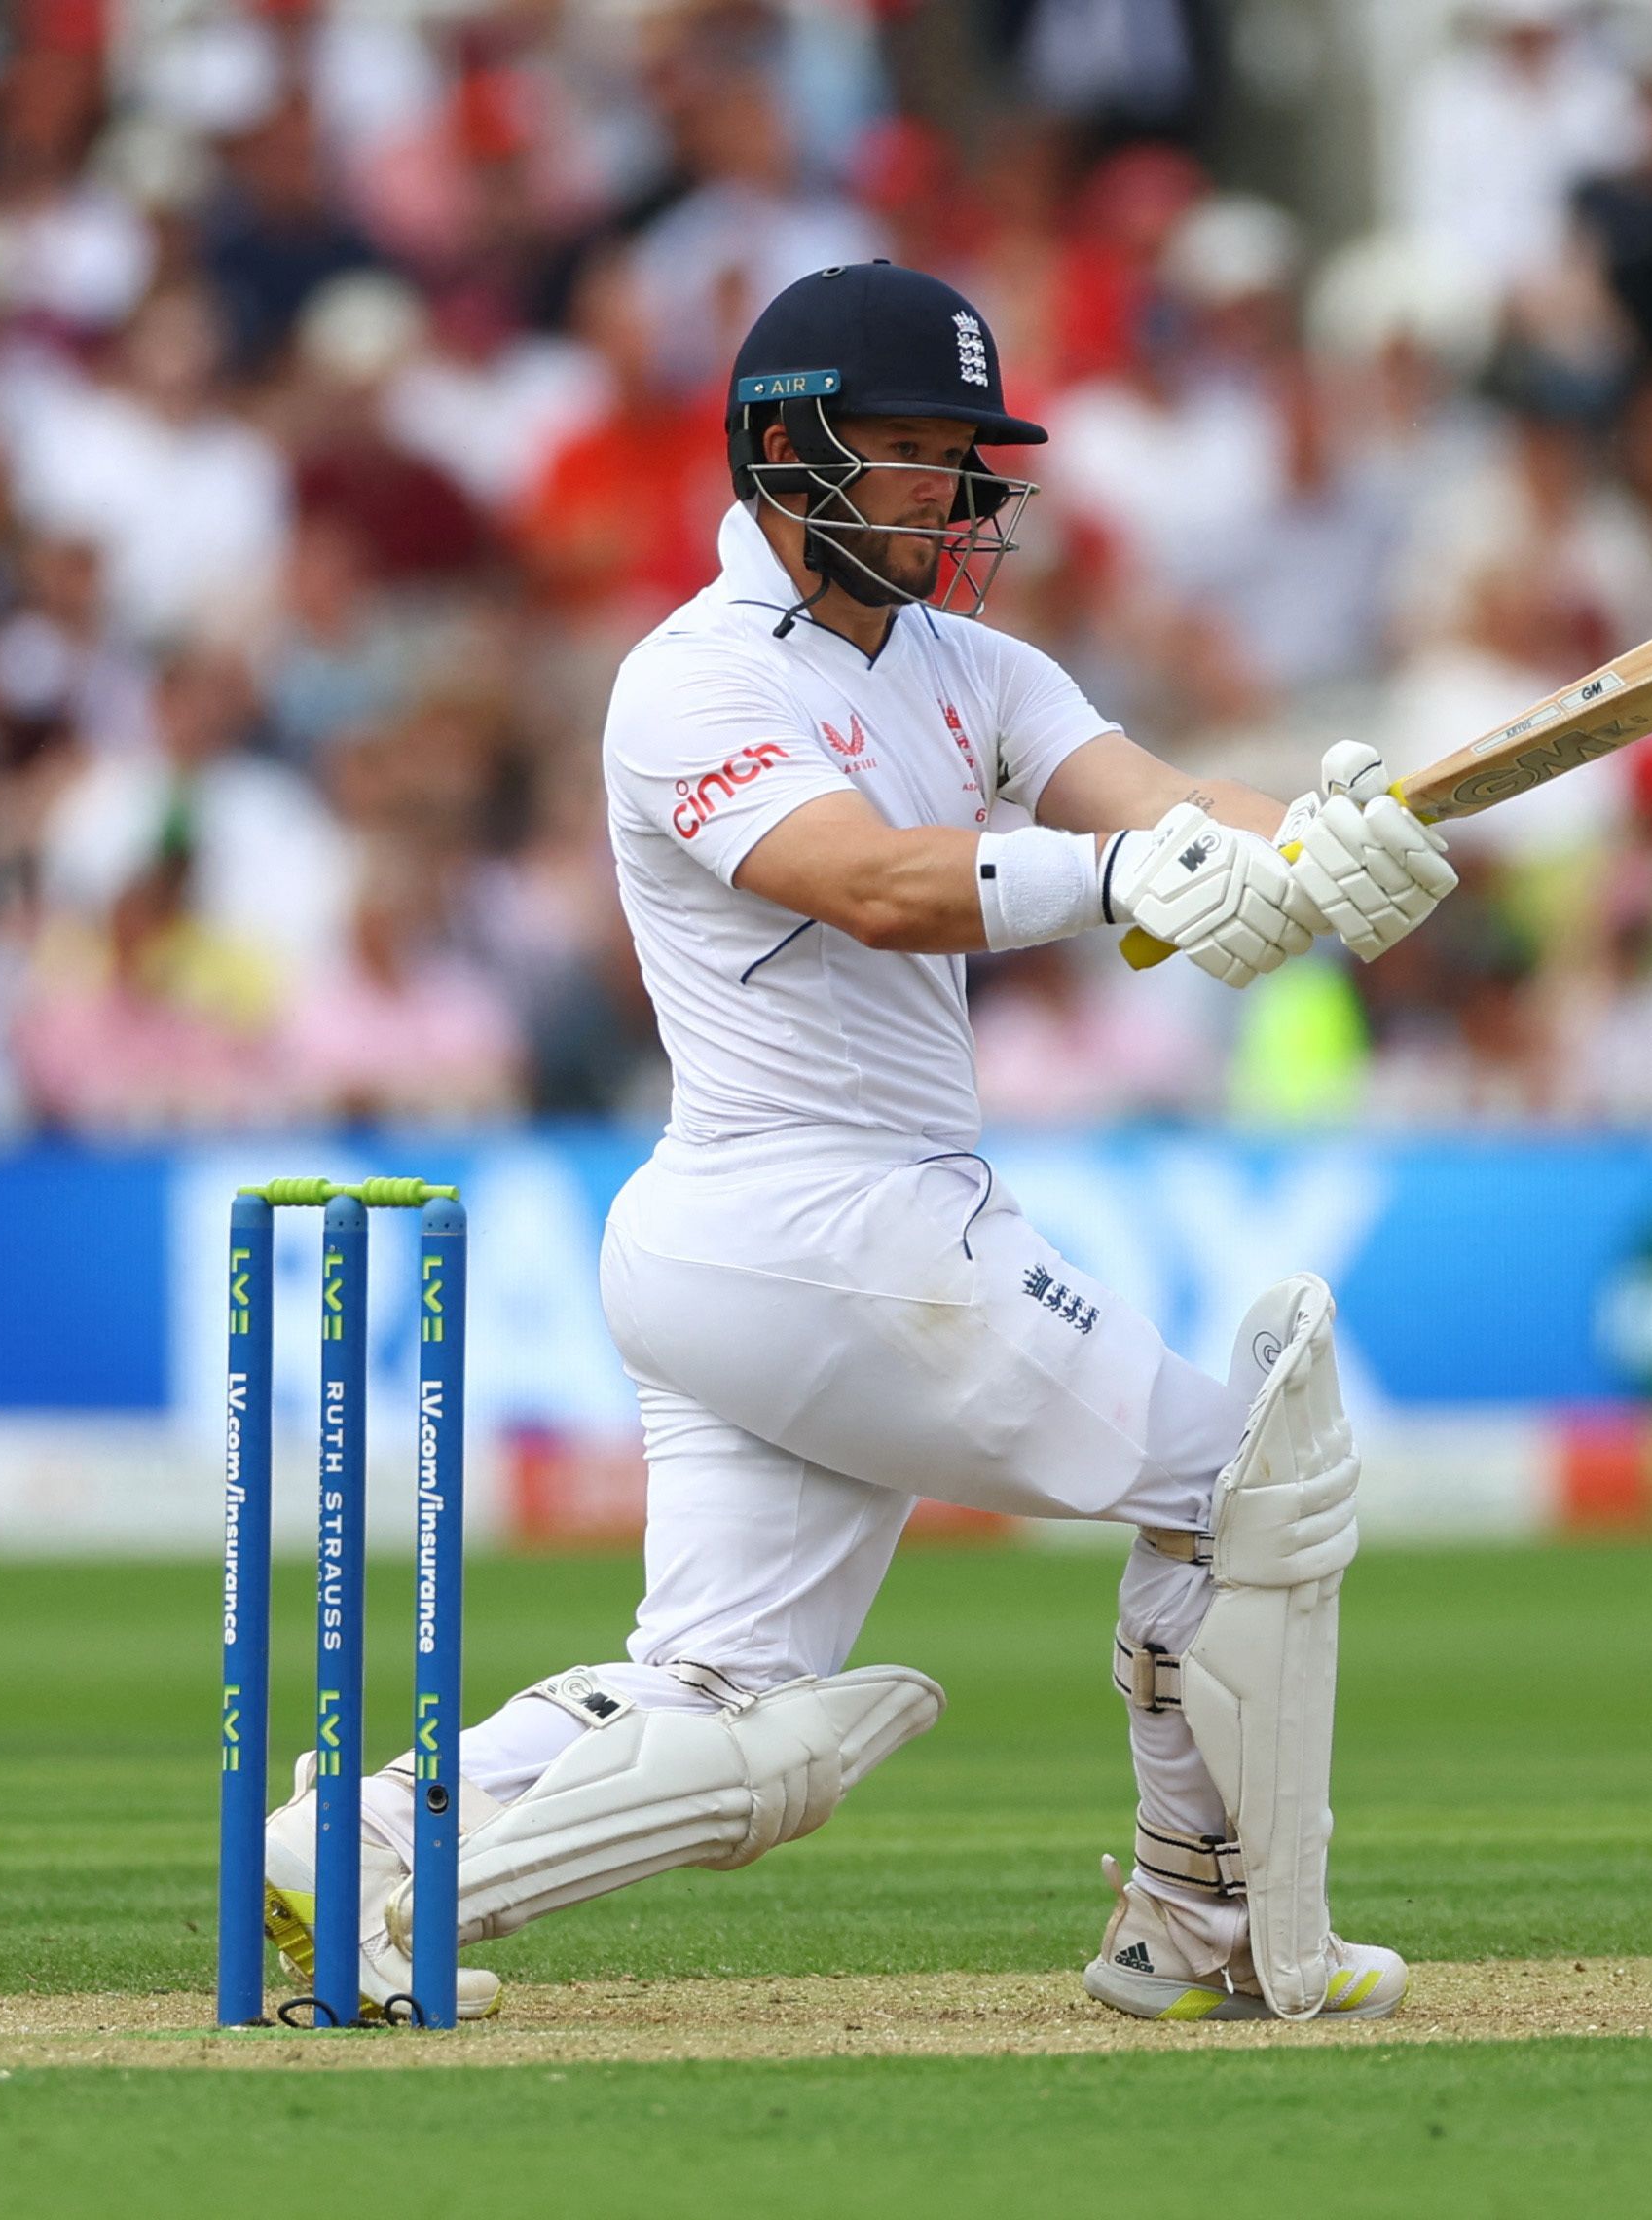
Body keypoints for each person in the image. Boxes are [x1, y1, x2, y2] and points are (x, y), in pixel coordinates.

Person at [255, 262, 1456, 2026]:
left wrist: (1331, 843)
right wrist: (1121, 882)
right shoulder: (688, 682)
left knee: (731, 1712)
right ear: (782, 451)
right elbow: (868, 882)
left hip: (783, 1248)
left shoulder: (981, 664)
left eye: (964, 452)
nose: (949, 491)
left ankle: (359, 1860)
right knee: (1244, 1492)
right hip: (824, 1223)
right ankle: (1209, 1931)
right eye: (903, 448)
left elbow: (1170, 806)